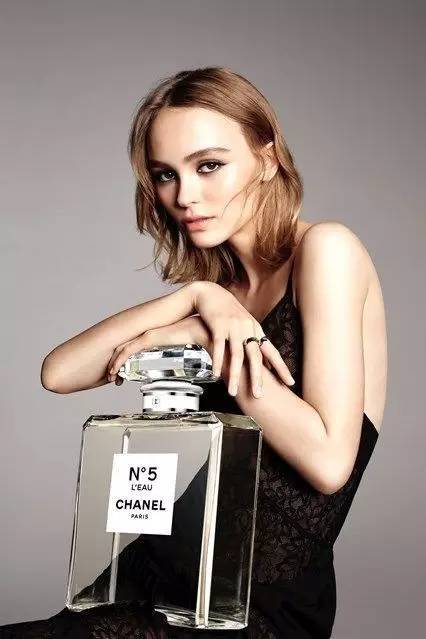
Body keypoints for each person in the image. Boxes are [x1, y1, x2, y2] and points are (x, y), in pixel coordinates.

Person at [1, 66, 387, 638]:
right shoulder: (217, 296)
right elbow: (59, 372)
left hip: (249, 608)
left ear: (266, 156)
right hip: (157, 581)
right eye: (165, 174)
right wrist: (197, 297)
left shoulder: (326, 250)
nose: (184, 196)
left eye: (208, 165)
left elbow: (329, 463)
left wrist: (207, 337)